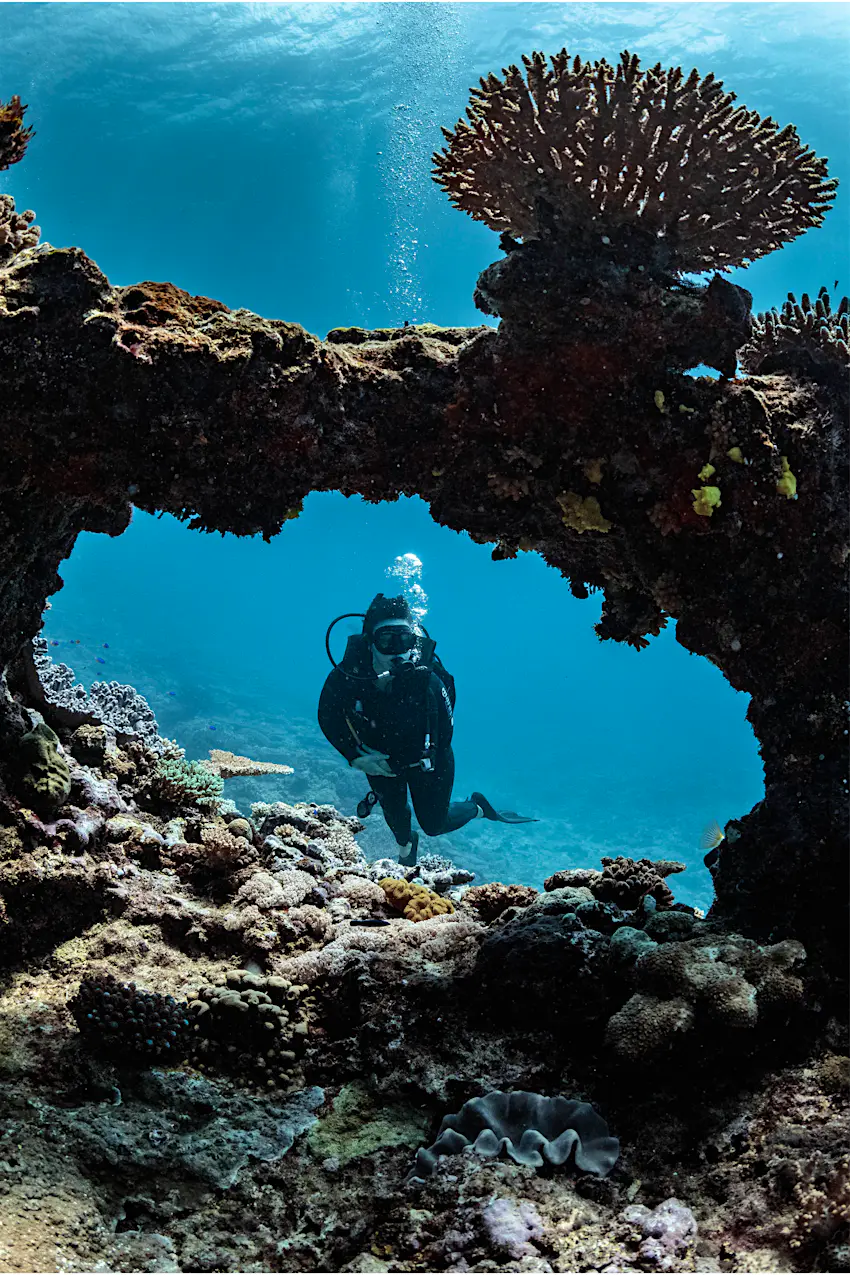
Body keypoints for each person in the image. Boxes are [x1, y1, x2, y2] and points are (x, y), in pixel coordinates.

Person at [318, 593, 537, 866]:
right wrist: (355, 756)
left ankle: (477, 807)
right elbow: (327, 716)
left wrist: (418, 761)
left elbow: (445, 735)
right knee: (396, 819)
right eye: (386, 640)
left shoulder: (427, 677)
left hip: (429, 761)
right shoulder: (349, 674)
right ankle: (406, 846)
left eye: (405, 639)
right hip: (379, 760)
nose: (398, 650)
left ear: (414, 639)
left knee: (435, 825)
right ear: (370, 642)